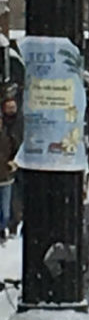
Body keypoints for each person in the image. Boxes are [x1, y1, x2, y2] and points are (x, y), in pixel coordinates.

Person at [0, 94, 20, 241]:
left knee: (9, 206)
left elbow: (15, 147)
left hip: (8, 173)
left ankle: (11, 226)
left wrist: (15, 161)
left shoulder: (20, 123)